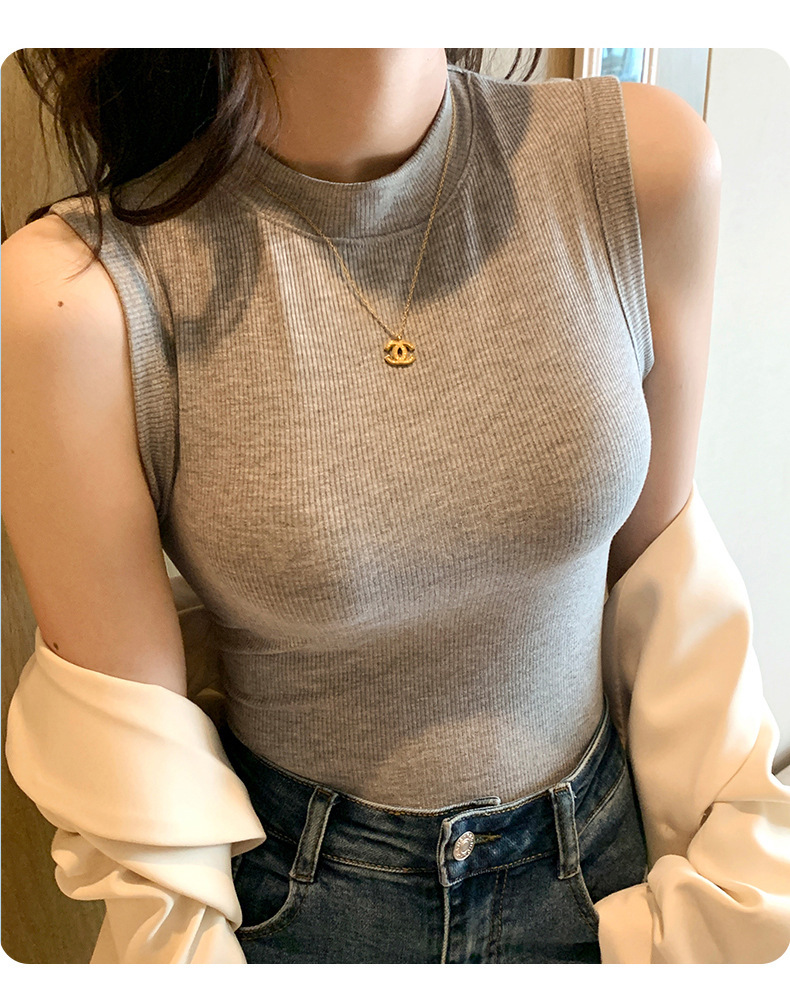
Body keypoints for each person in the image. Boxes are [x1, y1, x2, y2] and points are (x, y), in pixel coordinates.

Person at [2, 48, 722, 963]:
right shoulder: (76, 292)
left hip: (617, 889)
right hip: (300, 914)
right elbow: (136, 787)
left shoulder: (640, 164)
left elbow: (668, 610)